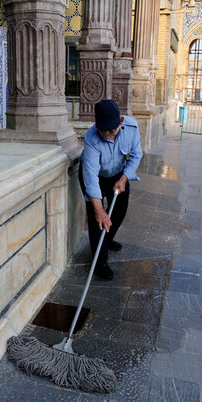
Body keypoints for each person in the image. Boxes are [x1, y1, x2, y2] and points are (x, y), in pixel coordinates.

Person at [79, 99, 143, 280]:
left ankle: (106, 240)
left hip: (118, 174)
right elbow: (90, 176)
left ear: (120, 122)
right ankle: (101, 262)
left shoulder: (131, 127)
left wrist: (124, 178)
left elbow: (136, 155)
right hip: (95, 177)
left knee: (120, 210)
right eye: (103, 129)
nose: (107, 133)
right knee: (97, 220)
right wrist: (99, 209)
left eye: (112, 130)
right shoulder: (92, 137)